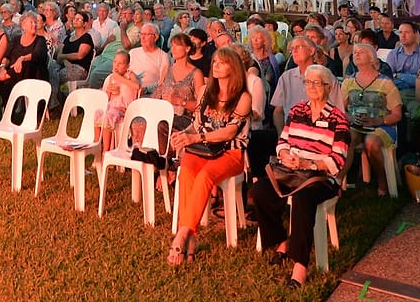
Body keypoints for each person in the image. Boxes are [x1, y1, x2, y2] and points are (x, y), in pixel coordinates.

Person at [251, 64, 349, 290]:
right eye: (308, 82)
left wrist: (308, 163)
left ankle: (300, 265)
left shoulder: (338, 119)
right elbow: (282, 142)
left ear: (328, 86)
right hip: (290, 172)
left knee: (303, 199)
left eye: (317, 83)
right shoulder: (296, 111)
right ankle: (281, 241)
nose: (312, 87)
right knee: (259, 192)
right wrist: (285, 155)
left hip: (320, 177)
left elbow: (337, 161)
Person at [166, 46, 252, 266]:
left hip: (230, 152)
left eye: (222, 63)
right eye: (215, 62)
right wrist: (183, 135)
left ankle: (182, 235)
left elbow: (230, 132)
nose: (216, 65)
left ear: (233, 68)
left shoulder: (243, 97)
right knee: (185, 172)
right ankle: (191, 236)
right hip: (203, 149)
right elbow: (196, 125)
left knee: (205, 176)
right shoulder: (205, 91)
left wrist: (194, 139)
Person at [341, 42, 402, 195]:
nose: (356, 55)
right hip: (356, 124)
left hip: (382, 125)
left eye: (360, 52)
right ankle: (339, 181)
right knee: (346, 139)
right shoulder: (348, 82)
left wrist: (377, 121)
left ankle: (382, 180)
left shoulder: (385, 83)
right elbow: (341, 109)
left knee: (371, 142)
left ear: (371, 58)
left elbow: (397, 114)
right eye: (355, 52)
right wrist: (350, 117)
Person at [0, 12, 48, 106]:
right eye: (31, 22)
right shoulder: (16, 39)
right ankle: (8, 111)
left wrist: (22, 58)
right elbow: (6, 56)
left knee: (25, 64)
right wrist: (2, 68)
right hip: (17, 74)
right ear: (23, 26)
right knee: (6, 84)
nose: (34, 25)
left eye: (35, 22)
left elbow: (37, 54)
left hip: (35, 74)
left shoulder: (40, 39)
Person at [98, 50, 140, 143]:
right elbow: (107, 98)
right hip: (112, 107)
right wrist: (110, 91)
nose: (116, 65)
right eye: (115, 62)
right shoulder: (112, 78)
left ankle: (106, 149)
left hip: (123, 109)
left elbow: (137, 87)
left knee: (108, 116)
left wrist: (119, 78)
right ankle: (96, 143)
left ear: (127, 66)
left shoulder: (129, 75)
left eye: (120, 63)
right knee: (97, 113)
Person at [129, 23, 169, 95]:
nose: (143, 37)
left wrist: (146, 90)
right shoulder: (132, 52)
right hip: (128, 89)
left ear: (155, 37)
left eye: (146, 34)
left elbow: (163, 82)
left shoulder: (163, 56)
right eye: (141, 34)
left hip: (147, 94)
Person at [58, 9, 94, 84]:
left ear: (84, 23)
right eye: (74, 19)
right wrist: (65, 61)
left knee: (57, 76)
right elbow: (59, 56)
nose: (75, 20)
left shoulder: (86, 37)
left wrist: (63, 57)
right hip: (65, 66)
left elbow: (79, 55)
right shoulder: (67, 38)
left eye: (78, 19)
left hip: (80, 68)